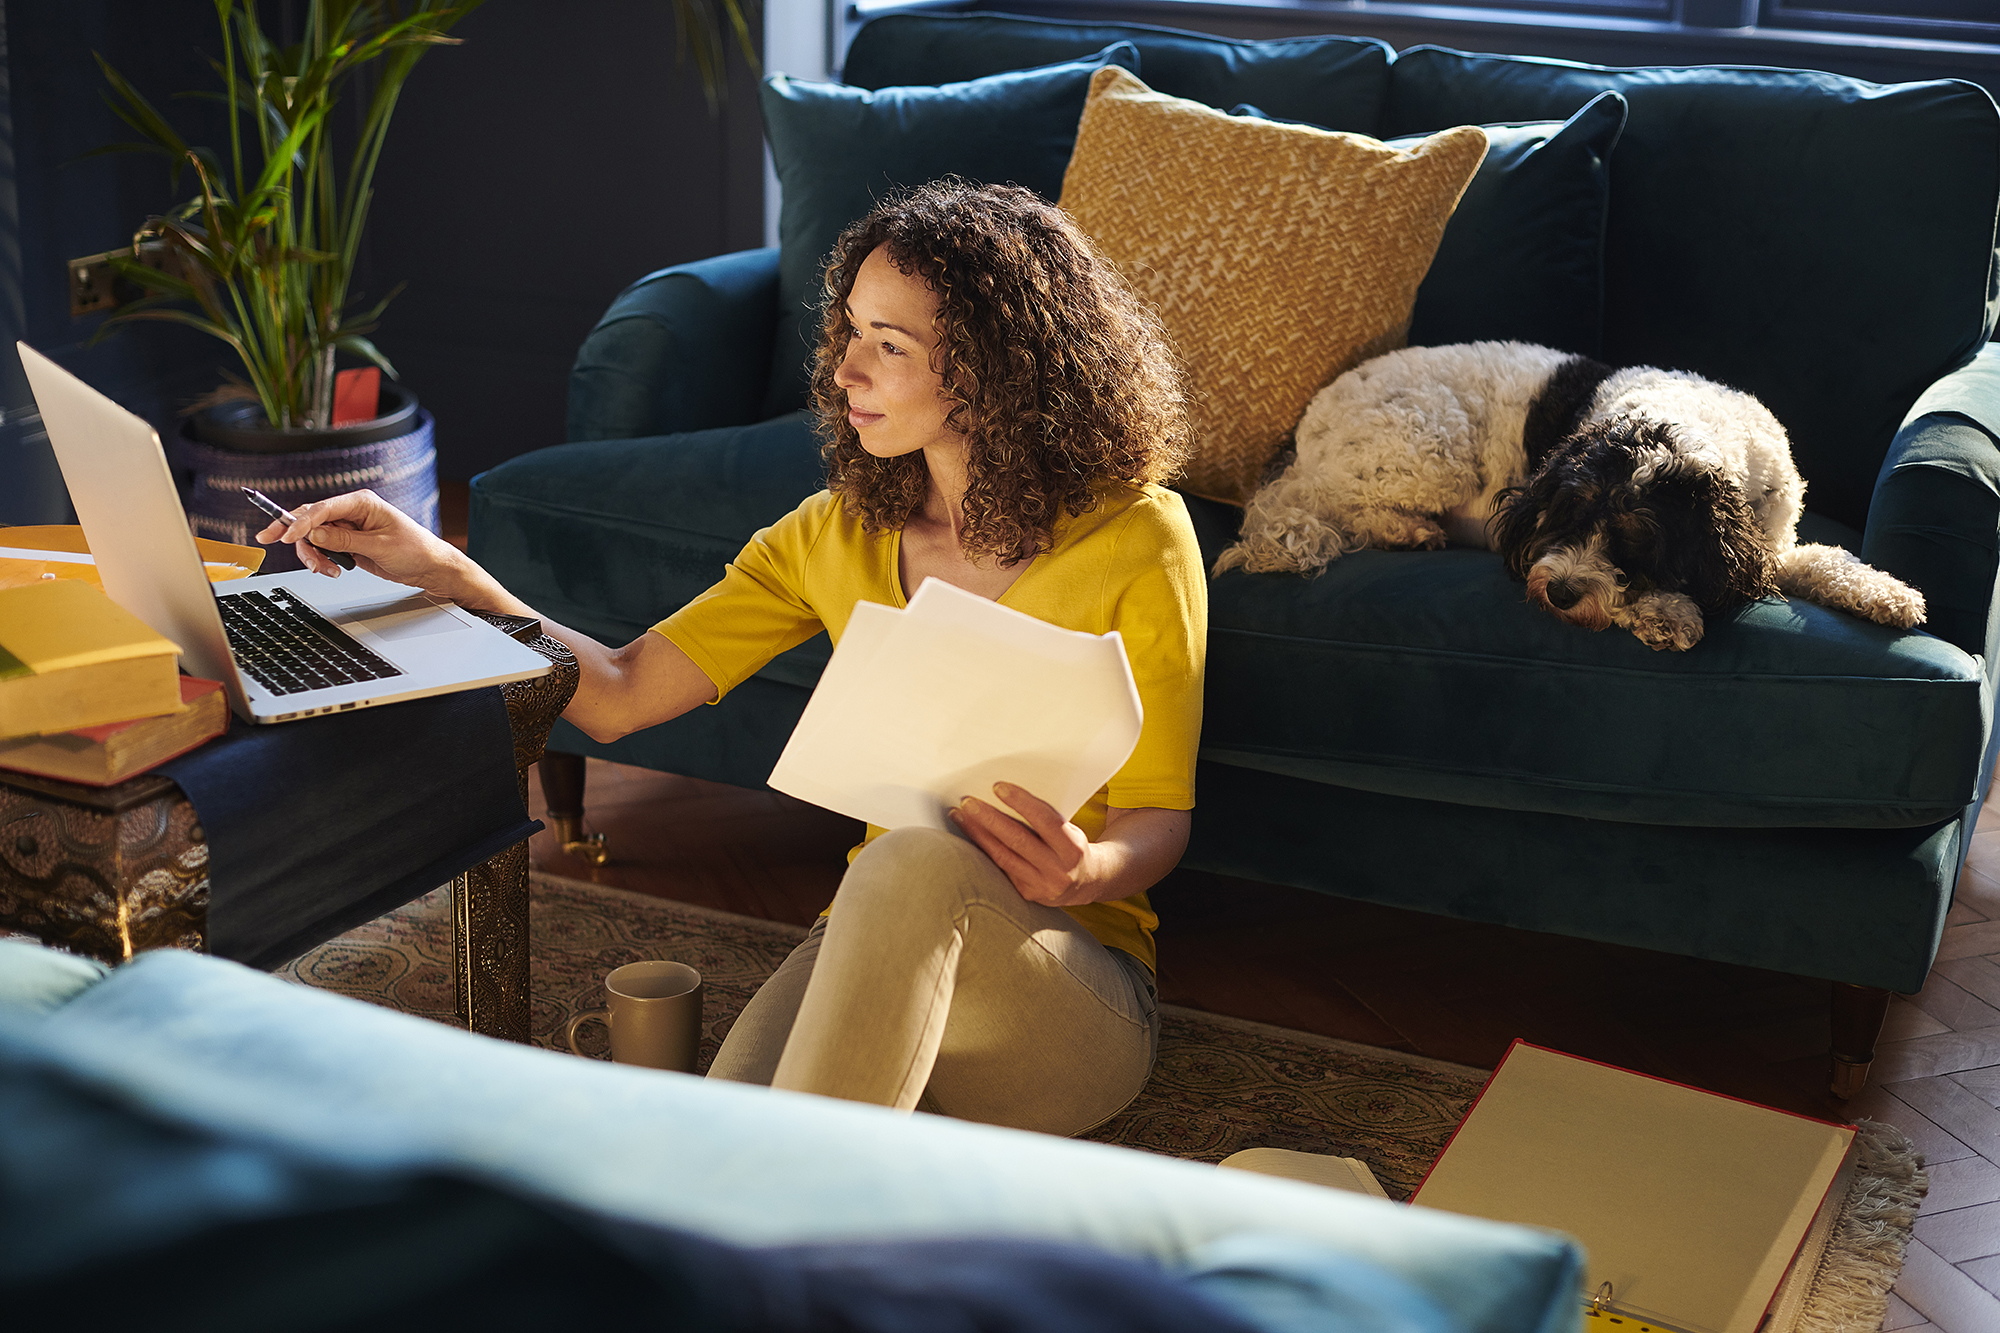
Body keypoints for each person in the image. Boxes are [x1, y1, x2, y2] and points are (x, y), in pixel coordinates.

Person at [256, 180, 1207, 1137]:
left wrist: (1085, 871)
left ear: (993, 368)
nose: (845, 371)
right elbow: (621, 696)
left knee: (913, 865)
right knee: (714, 1141)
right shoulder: (834, 533)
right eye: (850, 332)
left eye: (890, 345)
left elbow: (1158, 815)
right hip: (874, 946)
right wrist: (446, 571)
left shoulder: (1137, 537)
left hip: (1068, 992)